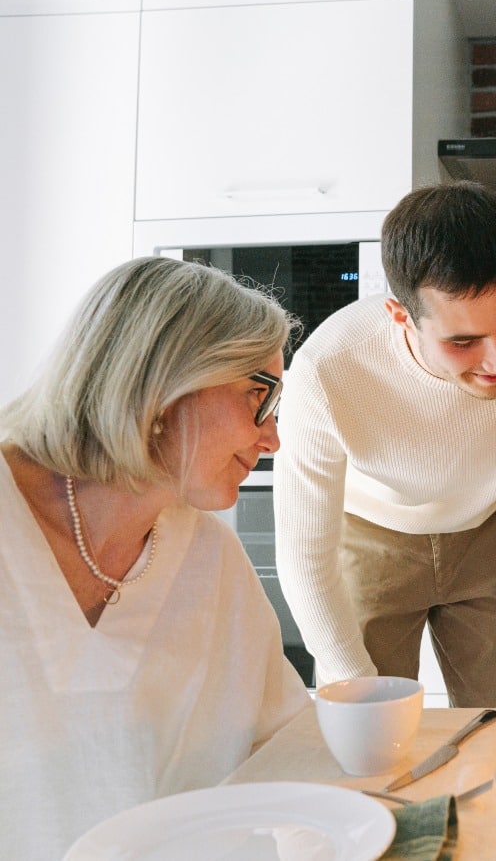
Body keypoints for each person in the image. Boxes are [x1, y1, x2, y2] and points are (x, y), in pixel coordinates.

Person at [0, 256, 310, 858]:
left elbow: (287, 751)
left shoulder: (211, 559)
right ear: (165, 383)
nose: (273, 437)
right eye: (258, 394)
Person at [275, 181, 496, 706]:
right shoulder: (327, 370)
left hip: (490, 535)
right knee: (371, 738)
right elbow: (304, 557)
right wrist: (349, 679)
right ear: (401, 316)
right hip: (369, 545)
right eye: (463, 342)